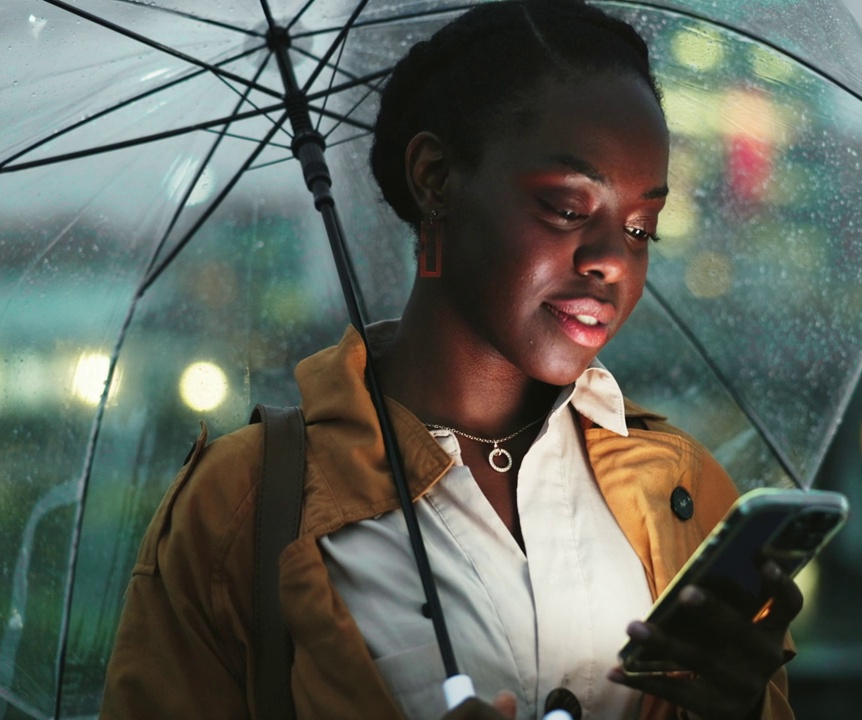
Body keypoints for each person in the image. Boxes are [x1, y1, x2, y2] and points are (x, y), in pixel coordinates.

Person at [102, 1, 799, 718]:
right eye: (565, 207)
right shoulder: (242, 509)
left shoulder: (685, 497)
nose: (611, 263)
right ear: (435, 176)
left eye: (641, 227)